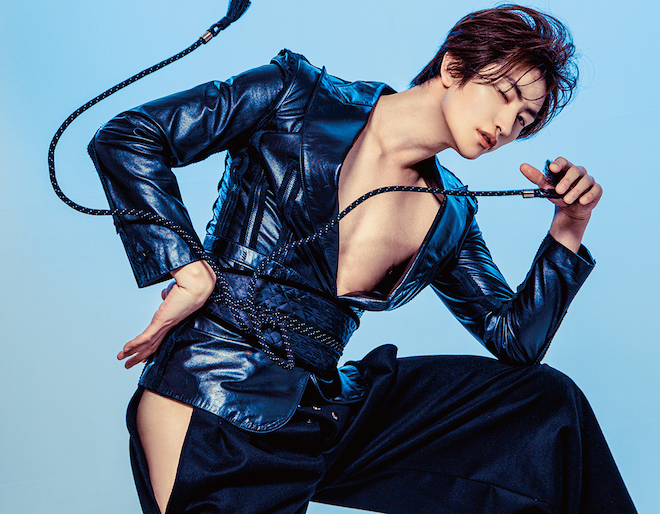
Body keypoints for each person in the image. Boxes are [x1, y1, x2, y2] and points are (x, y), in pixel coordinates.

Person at [87, 5, 636, 513]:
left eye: (524, 120)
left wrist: (569, 227)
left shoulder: (452, 212)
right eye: (504, 95)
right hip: (215, 391)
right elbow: (130, 136)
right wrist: (188, 267)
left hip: (321, 407)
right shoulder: (294, 95)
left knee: (547, 406)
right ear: (453, 68)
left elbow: (514, 340)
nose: (506, 125)